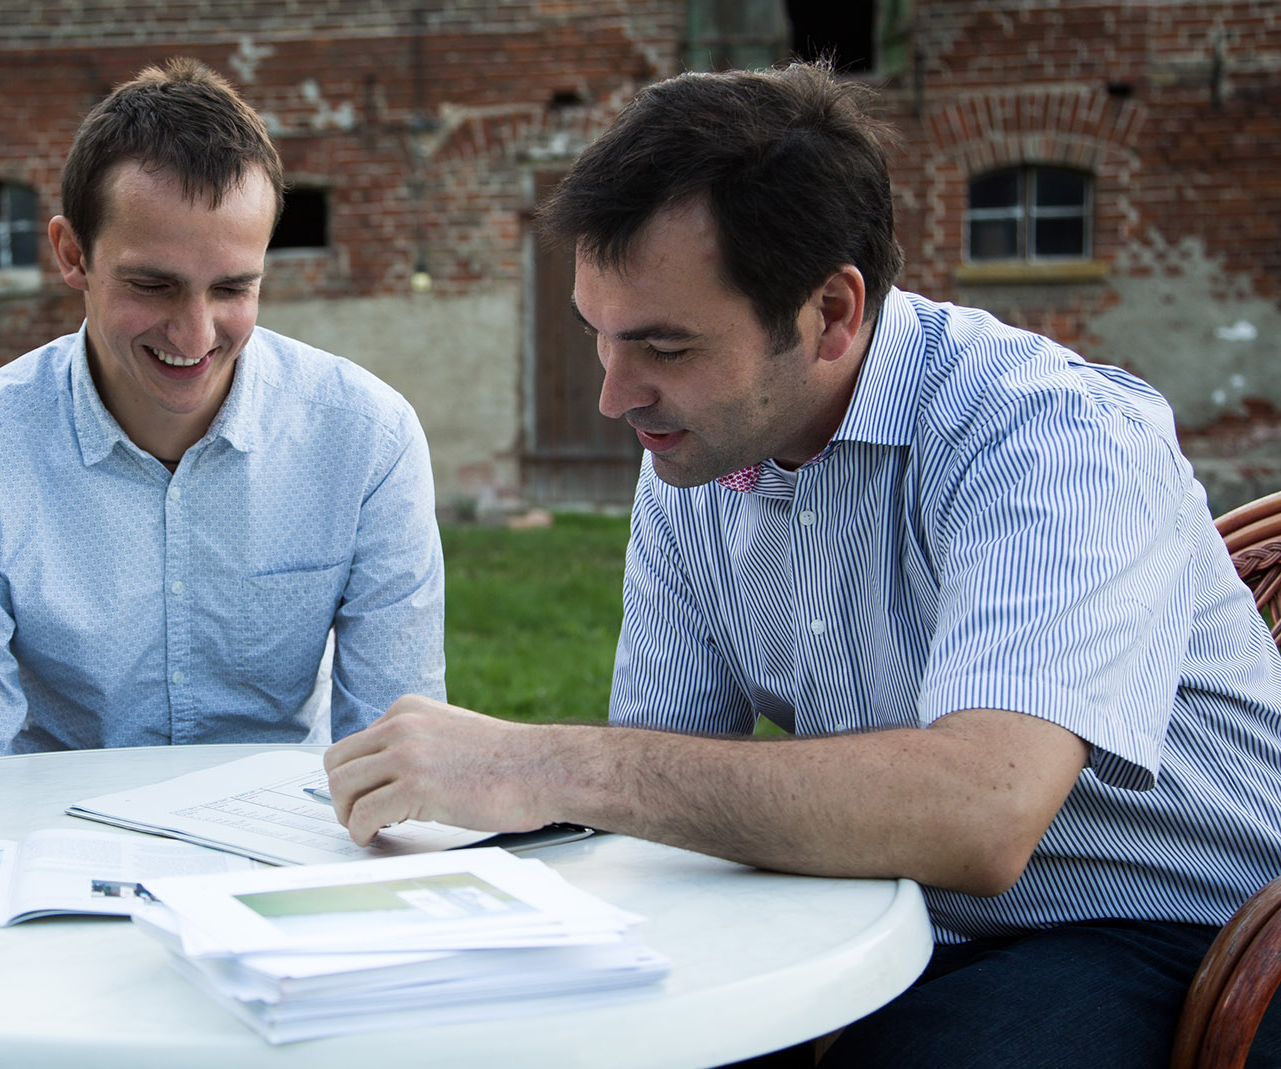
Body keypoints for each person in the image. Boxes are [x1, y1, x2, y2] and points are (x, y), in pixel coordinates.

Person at [323, 62, 1281, 1067]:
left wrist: (542, 764)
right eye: (597, 337)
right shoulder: (696, 464)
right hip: (886, 908)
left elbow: (981, 809)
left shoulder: (1052, 439)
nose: (613, 396)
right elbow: (658, 791)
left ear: (831, 312)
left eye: (664, 345)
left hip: (1198, 932)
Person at [0, 58, 445, 758]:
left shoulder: (368, 440)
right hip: (53, 844)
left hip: (281, 845)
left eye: (232, 289)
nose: (195, 334)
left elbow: (395, 752)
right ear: (72, 254)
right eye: (153, 285)